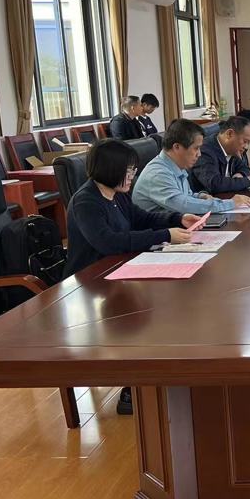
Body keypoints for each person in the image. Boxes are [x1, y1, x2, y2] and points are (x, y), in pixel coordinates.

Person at [64, 139, 201, 415]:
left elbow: (141, 218)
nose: (132, 177)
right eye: (129, 171)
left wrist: (176, 219)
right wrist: (164, 235)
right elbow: (108, 242)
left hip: (121, 269)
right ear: (111, 169)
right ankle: (133, 388)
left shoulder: (118, 194)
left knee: (163, 307)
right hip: (91, 281)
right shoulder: (86, 201)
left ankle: (155, 377)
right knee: (142, 319)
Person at [132, 119, 250, 215]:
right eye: (196, 148)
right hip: (159, 233)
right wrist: (230, 203)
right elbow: (184, 205)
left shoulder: (176, 167)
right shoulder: (158, 174)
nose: (199, 154)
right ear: (177, 147)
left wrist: (200, 196)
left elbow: (185, 196)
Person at [191, 115, 250, 194]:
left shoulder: (232, 150)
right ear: (229, 134)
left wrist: (240, 174)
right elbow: (214, 183)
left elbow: (245, 168)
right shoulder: (205, 150)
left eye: (249, 143)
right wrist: (248, 181)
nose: (246, 147)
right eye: (245, 141)